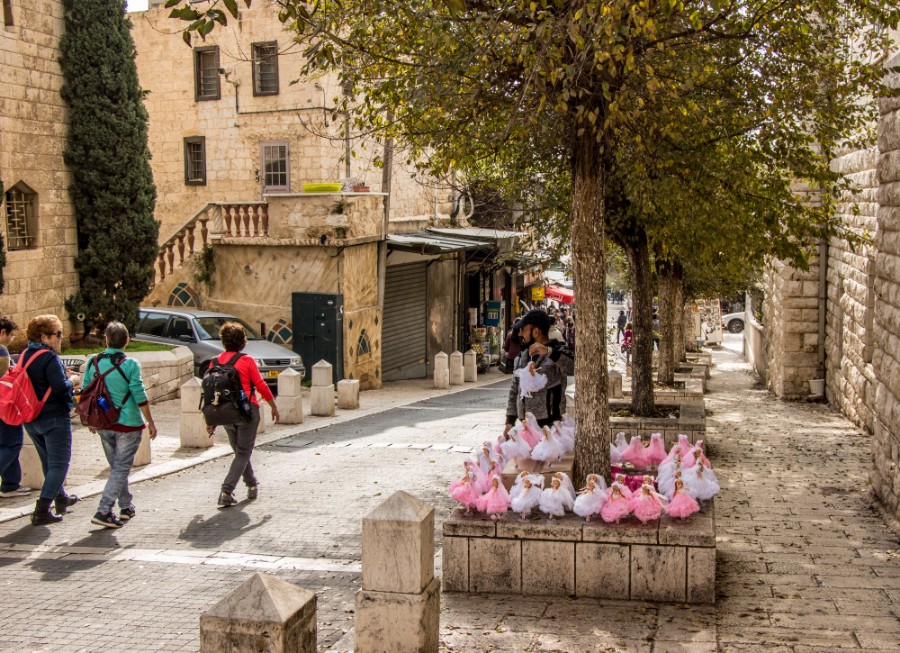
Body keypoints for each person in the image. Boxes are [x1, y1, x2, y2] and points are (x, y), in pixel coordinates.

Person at [82, 322, 157, 529]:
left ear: (106, 339)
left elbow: (85, 389)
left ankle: (126, 506)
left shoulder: (93, 361)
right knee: (121, 467)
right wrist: (150, 421)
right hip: (128, 423)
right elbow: (138, 393)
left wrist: (89, 419)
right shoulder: (131, 364)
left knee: (117, 467)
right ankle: (104, 510)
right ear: (127, 341)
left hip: (103, 422)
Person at [207, 322, 280, 507]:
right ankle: (226, 490)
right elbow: (261, 385)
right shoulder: (247, 361)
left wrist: (211, 419)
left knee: (240, 452)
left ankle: (252, 485)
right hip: (247, 412)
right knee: (243, 452)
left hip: (224, 413)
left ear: (223, 341)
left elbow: (210, 391)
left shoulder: (214, 362)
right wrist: (273, 406)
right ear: (243, 342)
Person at [21, 315, 80, 525]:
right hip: (53, 418)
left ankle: (61, 497)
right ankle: (42, 510)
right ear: (45, 337)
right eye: (58, 334)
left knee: (48, 461)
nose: (61, 338)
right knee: (59, 464)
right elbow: (59, 388)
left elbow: (39, 381)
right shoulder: (49, 357)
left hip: (31, 419)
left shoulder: (25, 355)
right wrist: (72, 380)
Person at [503, 309, 574, 437]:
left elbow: (573, 367)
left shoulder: (557, 351)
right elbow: (515, 390)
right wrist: (509, 421)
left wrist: (549, 352)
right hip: (525, 426)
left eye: (523, 330)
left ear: (535, 332)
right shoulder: (523, 356)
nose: (520, 334)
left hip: (551, 428)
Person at [0, 316, 33, 499]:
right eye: (11, 335)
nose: (11, 339)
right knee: (13, 444)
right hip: (5, 405)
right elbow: (5, 377)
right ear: (2, 332)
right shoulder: (1, 352)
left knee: (5, 443)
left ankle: (10, 485)